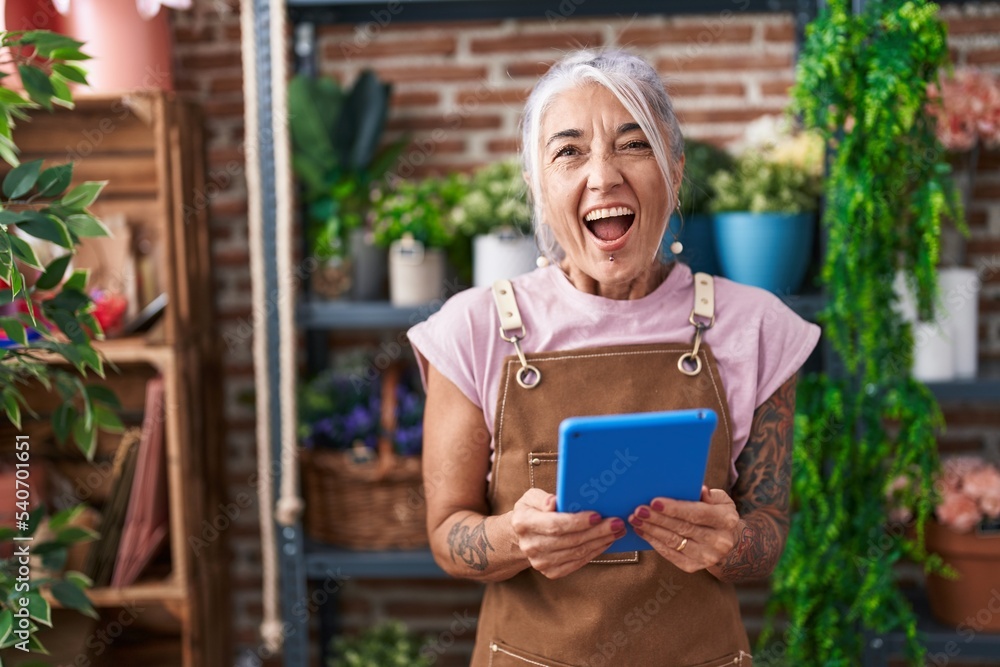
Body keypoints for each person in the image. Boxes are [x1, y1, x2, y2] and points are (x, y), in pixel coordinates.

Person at [407, 49, 820, 667]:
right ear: (539, 187)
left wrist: (730, 544)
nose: (602, 176)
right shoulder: (474, 329)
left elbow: (769, 534)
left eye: (633, 144)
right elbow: (447, 537)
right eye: (568, 151)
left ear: (675, 173)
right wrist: (514, 537)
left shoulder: (755, 328)